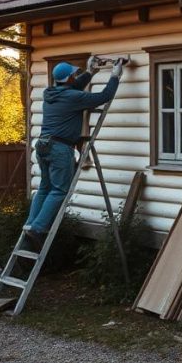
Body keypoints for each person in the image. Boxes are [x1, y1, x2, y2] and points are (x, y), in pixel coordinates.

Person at [24, 56, 123, 250]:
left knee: (44, 188)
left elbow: (74, 87)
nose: (74, 77)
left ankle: (30, 224)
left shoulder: (50, 93)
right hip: (59, 148)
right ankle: (37, 230)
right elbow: (103, 97)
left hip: (43, 145)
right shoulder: (73, 97)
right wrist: (115, 75)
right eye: (73, 75)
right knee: (59, 190)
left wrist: (90, 72)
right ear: (68, 78)